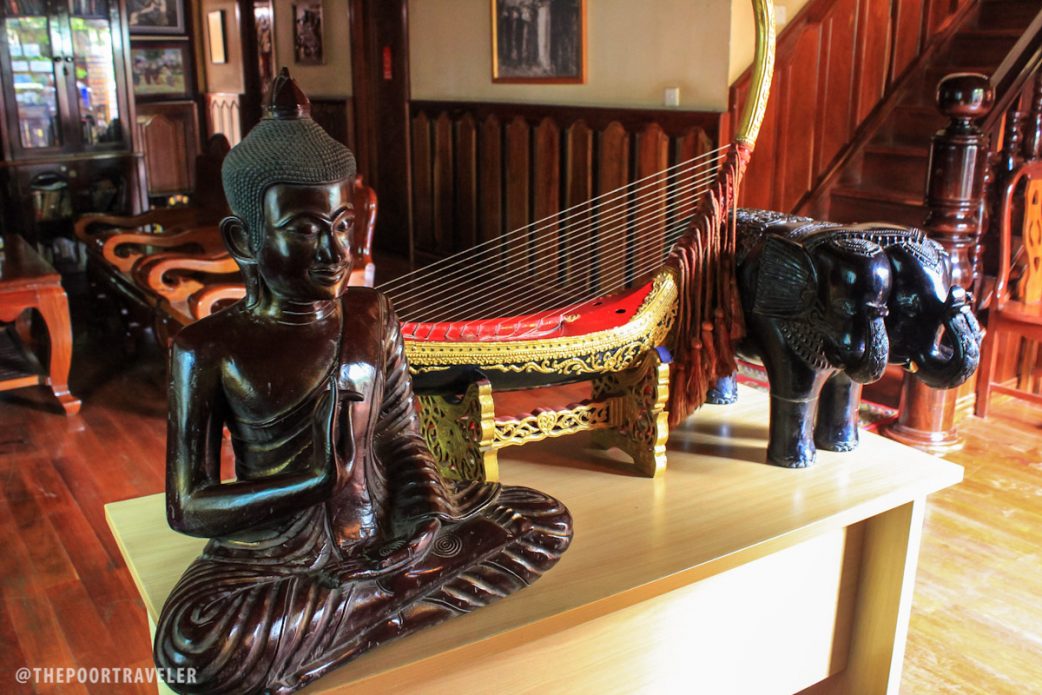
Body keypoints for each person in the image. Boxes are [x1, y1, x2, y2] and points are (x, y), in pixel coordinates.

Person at [153, 69, 572, 695]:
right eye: (305, 229)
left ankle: (368, 609)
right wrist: (311, 482)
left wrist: (424, 519)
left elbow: (401, 436)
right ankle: (395, 602)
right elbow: (189, 507)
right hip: (280, 554)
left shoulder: (372, 314)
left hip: (387, 523)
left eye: (343, 225)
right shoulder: (207, 348)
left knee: (542, 521)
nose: (334, 251)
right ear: (245, 239)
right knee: (195, 644)